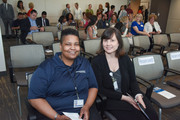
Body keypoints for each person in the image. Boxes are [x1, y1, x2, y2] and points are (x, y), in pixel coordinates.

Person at [28, 28, 101, 120]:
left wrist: (87, 106)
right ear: (61, 46)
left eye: (76, 44)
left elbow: (93, 87)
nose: (73, 48)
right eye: (68, 44)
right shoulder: (46, 67)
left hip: (83, 110)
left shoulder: (84, 63)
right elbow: (34, 98)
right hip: (54, 112)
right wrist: (56, 116)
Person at [92, 27, 158, 120]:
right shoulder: (96, 62)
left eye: (112, 40)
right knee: (138, 117)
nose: (108, 44)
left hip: (128, 93)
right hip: (111, 99)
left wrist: (137, 95)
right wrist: (124, 98)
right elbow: (100, 89)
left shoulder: (125, 59)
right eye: (105, 40)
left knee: (152, 115)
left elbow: (132, 80)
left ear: (118, 43)